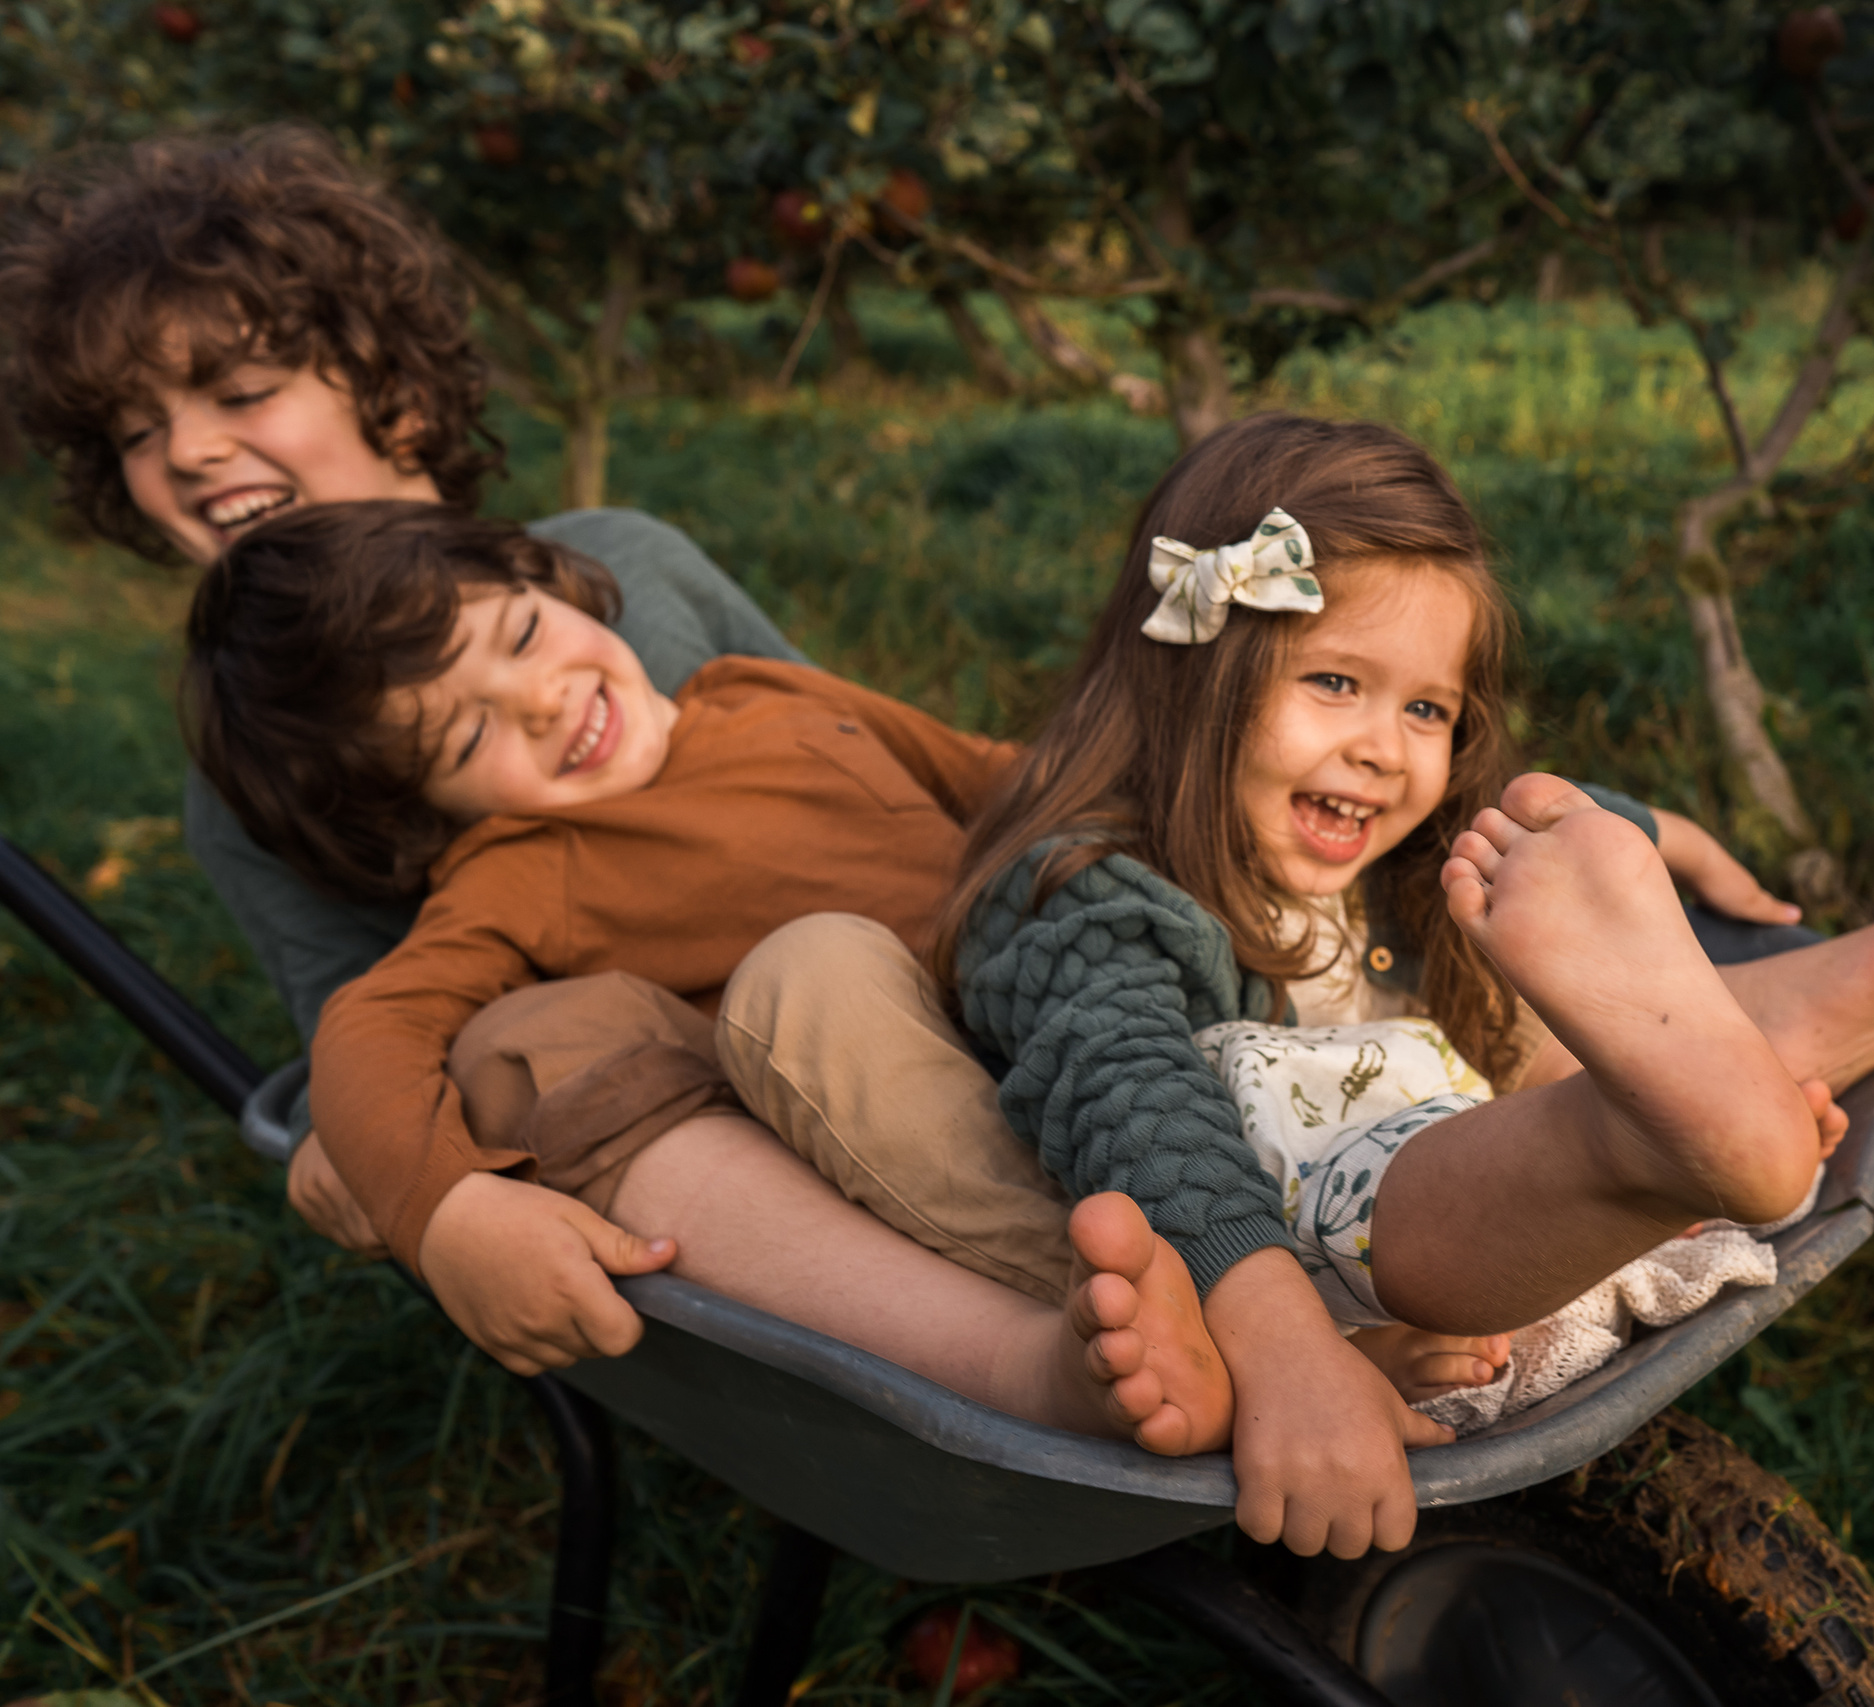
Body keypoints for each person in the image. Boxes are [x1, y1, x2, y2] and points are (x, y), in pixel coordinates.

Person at [0, 126, 1226, 1431]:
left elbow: (896, 770)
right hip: (727, 1114)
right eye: (139, 428)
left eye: (238, 391)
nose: (187, 450)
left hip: (971, 987)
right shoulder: (263, 783)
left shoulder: (629, 569)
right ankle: (1014, 1357)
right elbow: (350, 1027)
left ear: (395, 396)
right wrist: (402, 1178)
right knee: (530, 1043)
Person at [718, 415, 1874, 1557]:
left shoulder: (1376, 843)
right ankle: (1656, 1135)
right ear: (1192, 669)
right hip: (1287, 1242)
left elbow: (1515, 832)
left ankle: (1695, 1089)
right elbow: (1136, 1101)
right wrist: (1282, 1355)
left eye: (1429, 710)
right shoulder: (1082, 889)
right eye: (1335, 682)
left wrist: (1637, 832)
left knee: (1480, 912)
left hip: (1468, 1190)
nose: (1385, 751)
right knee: (1303, 1111)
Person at [180, 500, 1232, 1447]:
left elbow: (1000, 781)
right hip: (937, 1134)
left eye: (524, 635)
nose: (540, 701)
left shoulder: (757, 693)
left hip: (1102, 1026)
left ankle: (1279, 1248)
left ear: (551, 582)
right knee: (813, 972)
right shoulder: (516, 873)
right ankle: (1169, 1305)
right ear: (412, 814)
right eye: (468, 733)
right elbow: (369, 1028)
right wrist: (447, 1213)